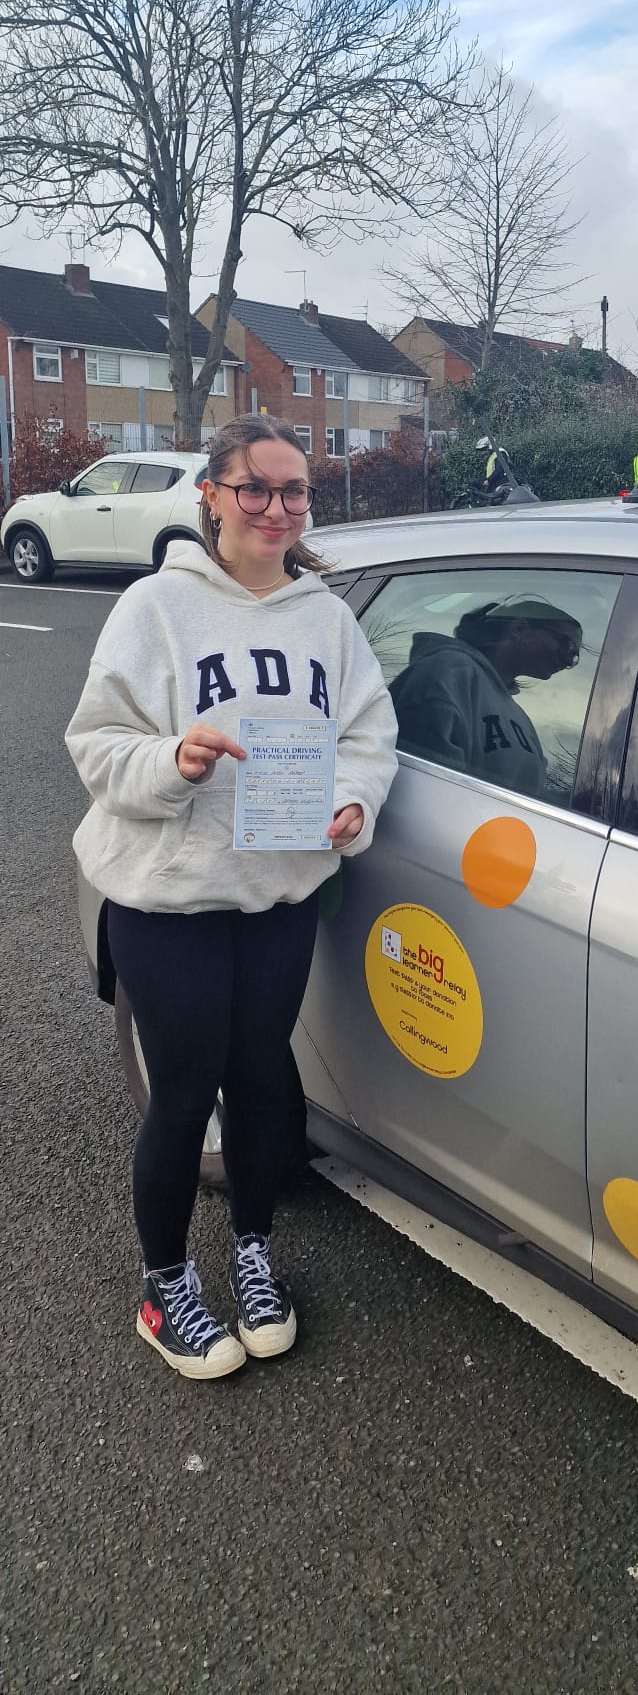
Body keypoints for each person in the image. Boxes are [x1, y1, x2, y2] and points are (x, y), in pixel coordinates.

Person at [65, 416, 398, 1381]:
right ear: (211, 495)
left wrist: (349, 800)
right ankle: (165, 1286)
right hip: (170, 901)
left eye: (295, 493)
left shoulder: (326, 619)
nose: (277, 509)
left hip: (278, 897)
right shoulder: (155, 608)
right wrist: (174, 759)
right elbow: (95, 744)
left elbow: (368, 739)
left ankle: (252, 1253)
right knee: (181, 1097)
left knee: (261, 1083)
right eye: (256, 488)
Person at [389, 597, 583, 796]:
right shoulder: (446, 674)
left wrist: (569, 801)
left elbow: (524, 797)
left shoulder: (518, 716)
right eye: (567, 645)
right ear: (519, 629)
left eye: (575, 656)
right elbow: (429, 792)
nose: (569, 661)